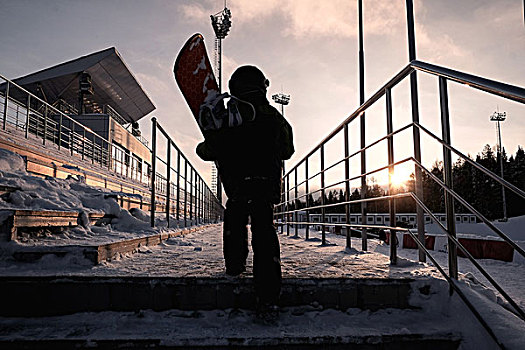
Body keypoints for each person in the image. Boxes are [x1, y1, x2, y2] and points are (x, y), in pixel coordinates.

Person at [196, 65, 294, 319]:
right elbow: (287, 150)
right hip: (265, 183)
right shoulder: (274, 117)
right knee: (264, 231)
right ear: (262, 87)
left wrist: (207, 141)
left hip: (238, 185)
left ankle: (235, 265)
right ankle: (268, 297)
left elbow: (208, 151)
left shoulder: (229, 118)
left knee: (235, 220)